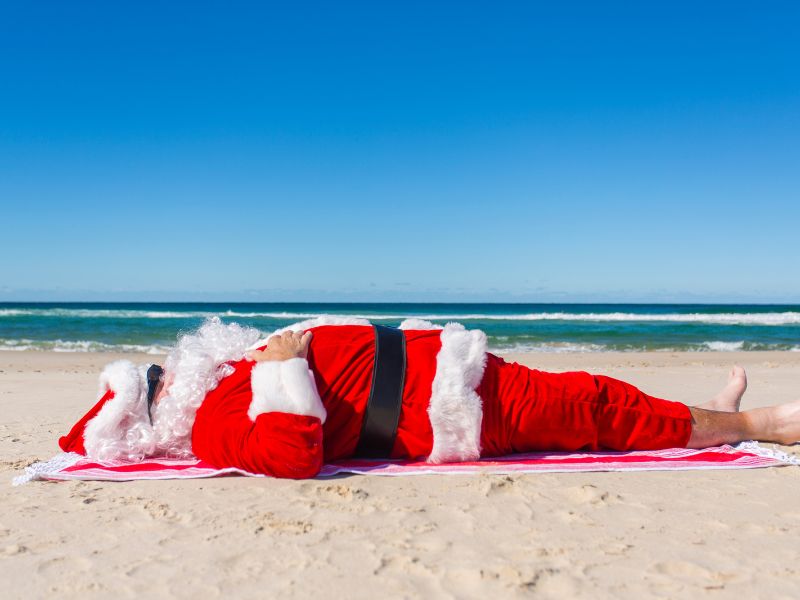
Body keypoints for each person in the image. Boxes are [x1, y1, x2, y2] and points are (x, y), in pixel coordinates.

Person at [58, 316, 800, 479]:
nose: (168, 368)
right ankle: (758, 420)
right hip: (452, 408)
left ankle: (717, 415)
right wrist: (283, 367)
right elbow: (290, 454)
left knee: (595, 393)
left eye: (159, 369)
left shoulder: (219, 379)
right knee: (600, 411)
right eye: (155, 380)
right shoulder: (212, 429)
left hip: (455, 370)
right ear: (157, 417)